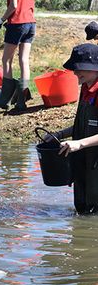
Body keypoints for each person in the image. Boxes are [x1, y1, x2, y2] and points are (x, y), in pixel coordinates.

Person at [48, 43, 98, 214]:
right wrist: (59, 134)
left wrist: (80, 143)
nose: (76, 73)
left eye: (80, 68)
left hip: (94, 161)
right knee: (82, 210)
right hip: (84, 161)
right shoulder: (86, 88)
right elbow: (84, 124)